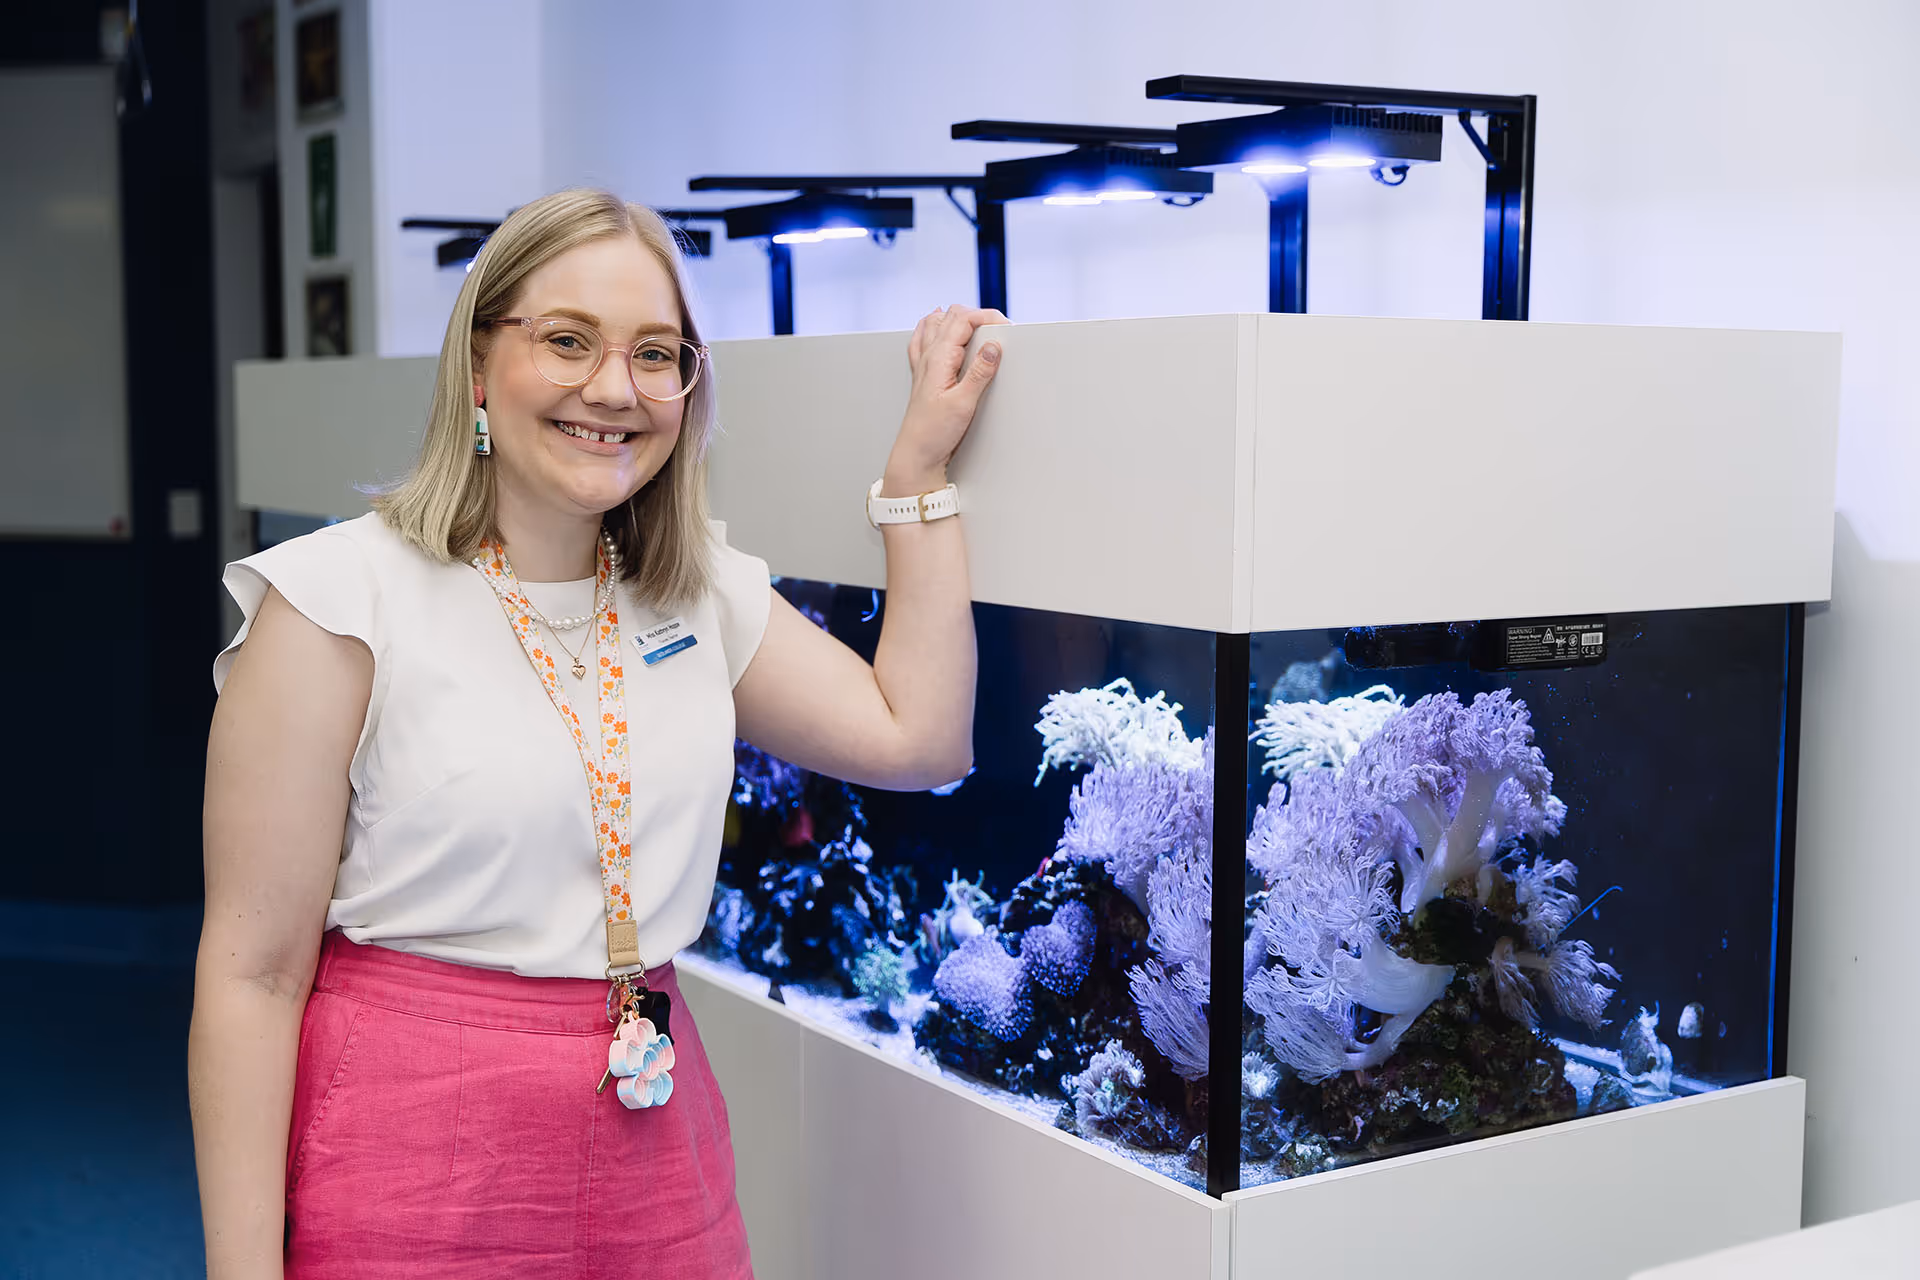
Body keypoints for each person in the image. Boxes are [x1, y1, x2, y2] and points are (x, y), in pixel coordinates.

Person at [188, 187, 1005, 1279]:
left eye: (656, 354)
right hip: (410, 1161)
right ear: (479, 365)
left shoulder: (695, 590)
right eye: (568, 340)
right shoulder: (337, 599)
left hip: (655, 1150)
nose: (615, 389)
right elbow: (250, 979)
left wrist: (916, 484)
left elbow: (922, 739)